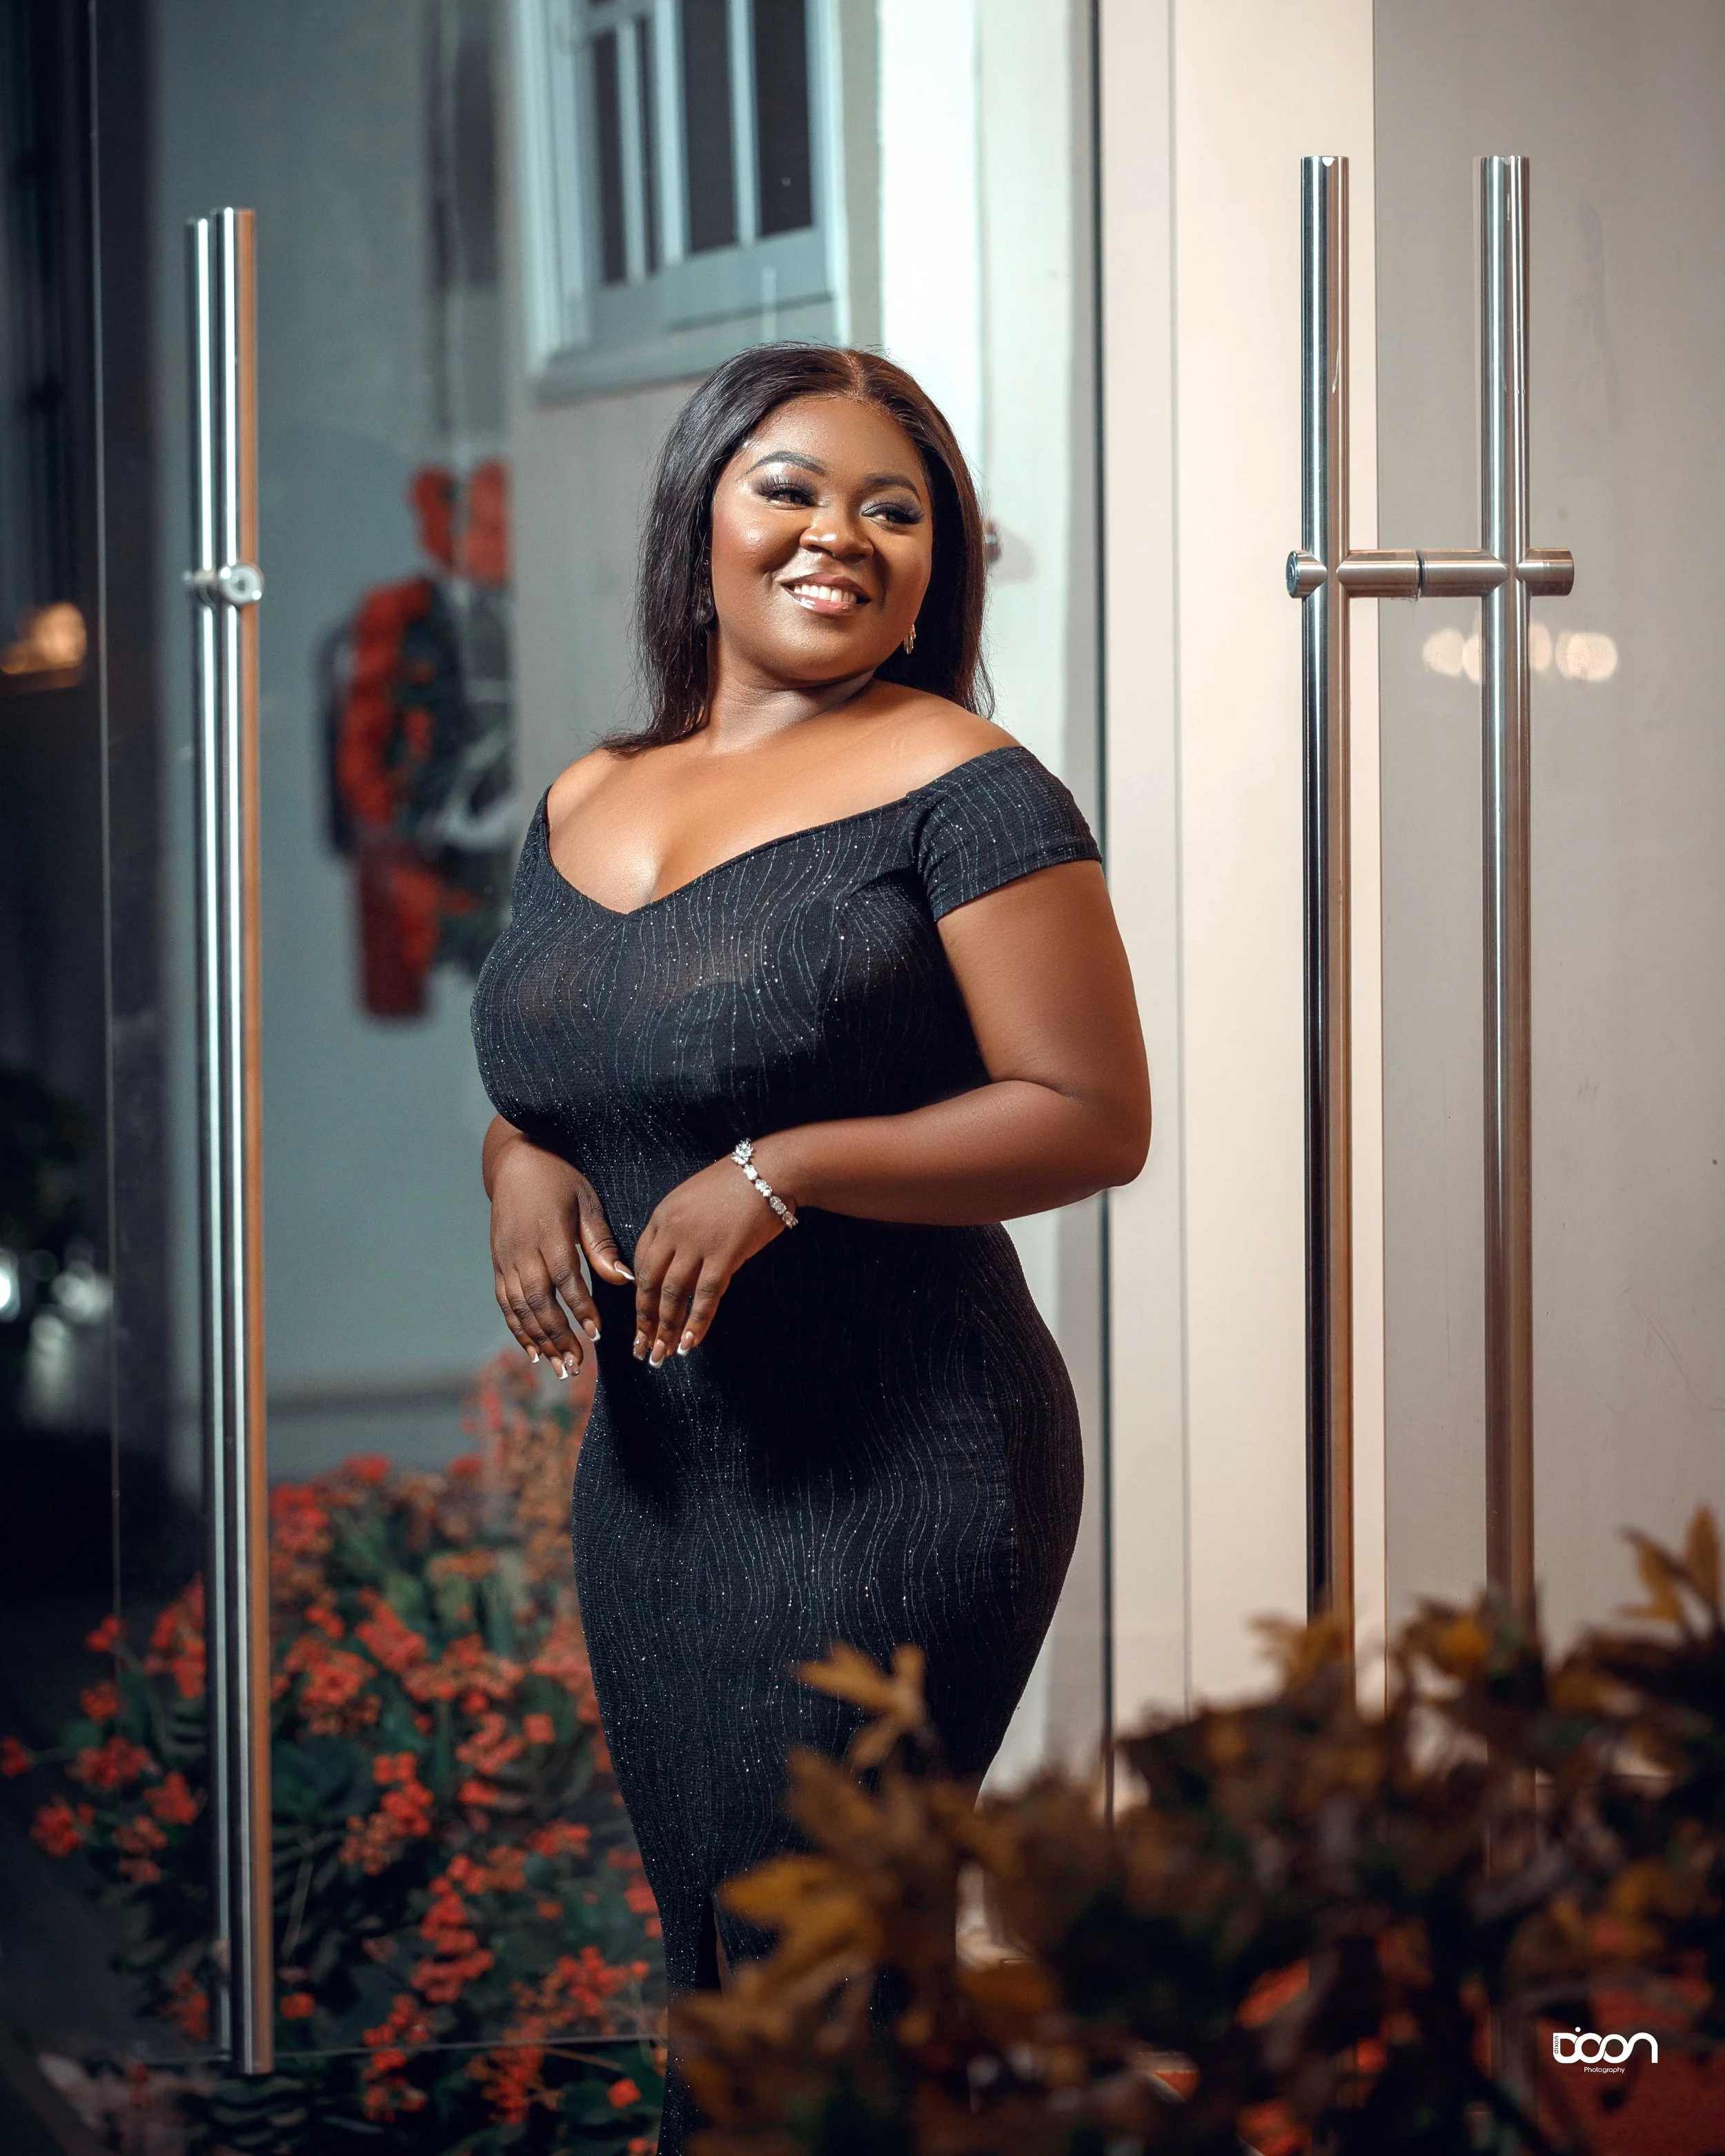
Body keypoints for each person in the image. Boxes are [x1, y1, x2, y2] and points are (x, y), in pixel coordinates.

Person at [470, 344, 1150, 2151]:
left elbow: (1089, 1113)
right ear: (698, 509)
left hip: (901, 1460)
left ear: (936, 564)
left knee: (819, 1975)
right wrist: (510, 1156)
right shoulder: (581, 794)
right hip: (666, 1482)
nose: (837, 533)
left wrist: (785, 1170)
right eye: (790, 485)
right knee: (729, 1973)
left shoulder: (967, 787)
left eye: (893, 507)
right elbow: (579, 1062)